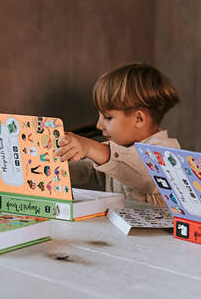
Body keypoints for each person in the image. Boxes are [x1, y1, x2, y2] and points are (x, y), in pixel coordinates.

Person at [57, 63, 181, 205]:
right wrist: (54, 167)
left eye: (108, 118)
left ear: (139, 119)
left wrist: (90, 147)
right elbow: (89, 170)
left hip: (153, 228)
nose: (99, 125)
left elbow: (140, 172)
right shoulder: (121, 147)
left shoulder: (166, 153)